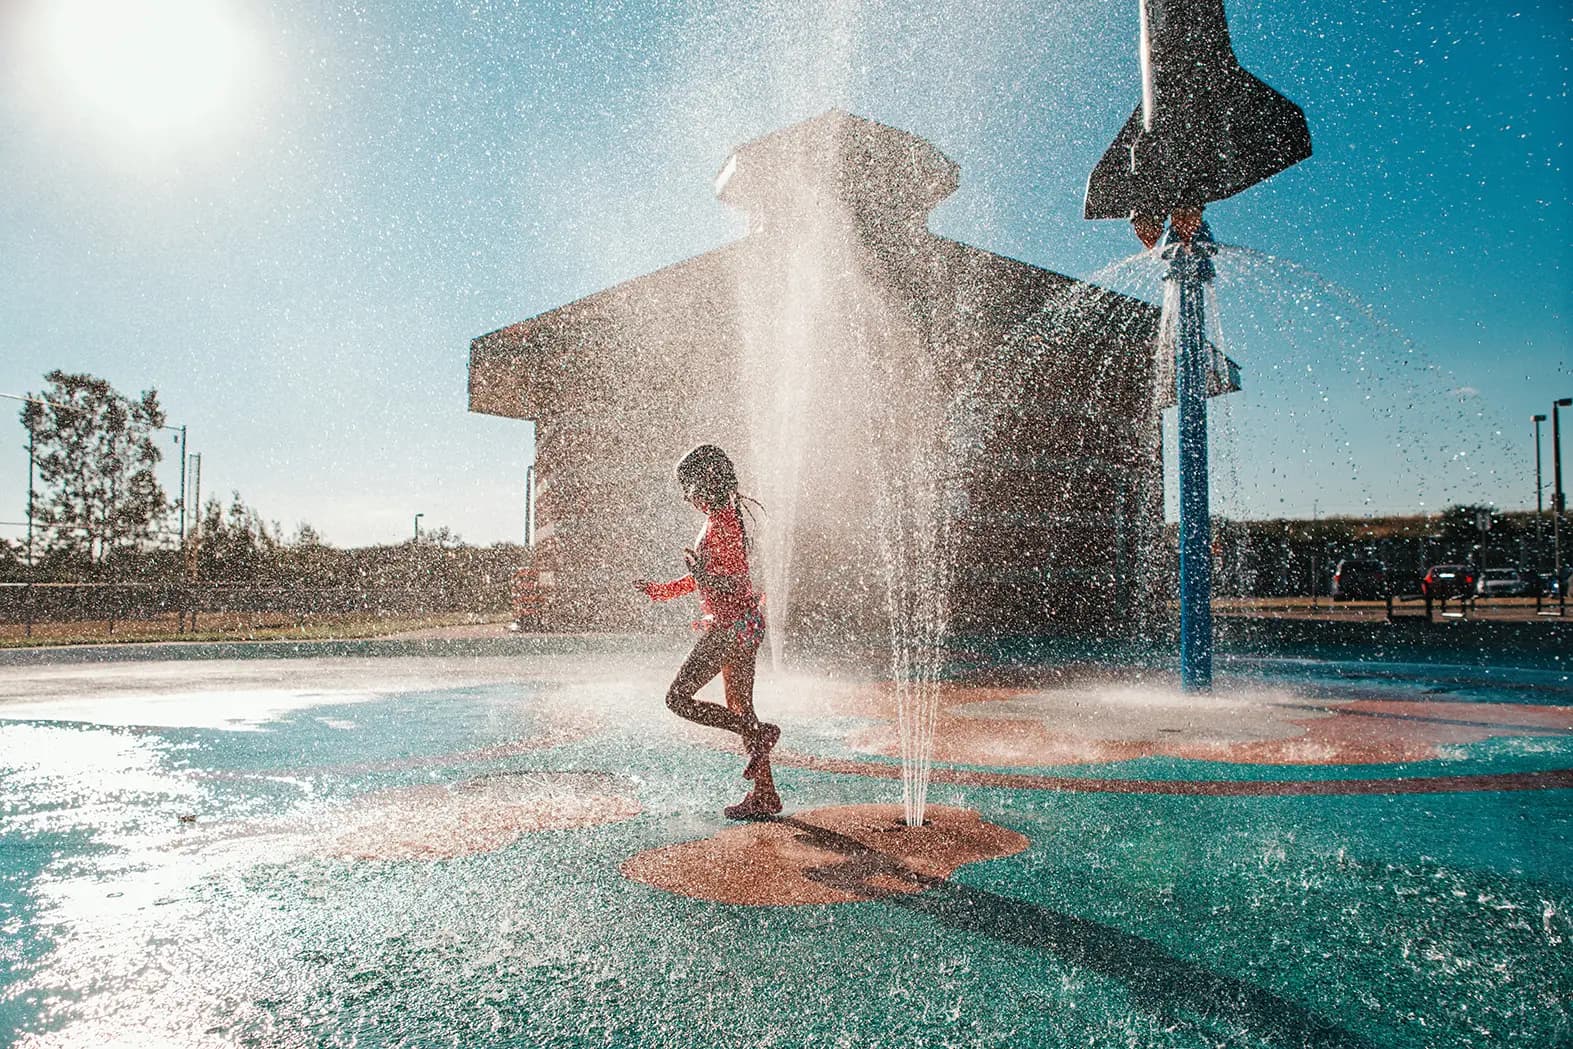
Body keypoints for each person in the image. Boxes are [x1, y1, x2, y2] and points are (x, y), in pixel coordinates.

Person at [634, 444, 781, 819]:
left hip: (732, 628)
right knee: (740, 706)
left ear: (707, 482)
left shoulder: (724, 524)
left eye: (690, 486)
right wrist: (665, 590)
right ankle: (765, 794)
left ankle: (757, 734)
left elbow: (733, 584)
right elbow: (708, 579)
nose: (687, 495)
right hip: (742, 626)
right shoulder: (720, 520)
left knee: (678, 699)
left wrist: (701, 575)